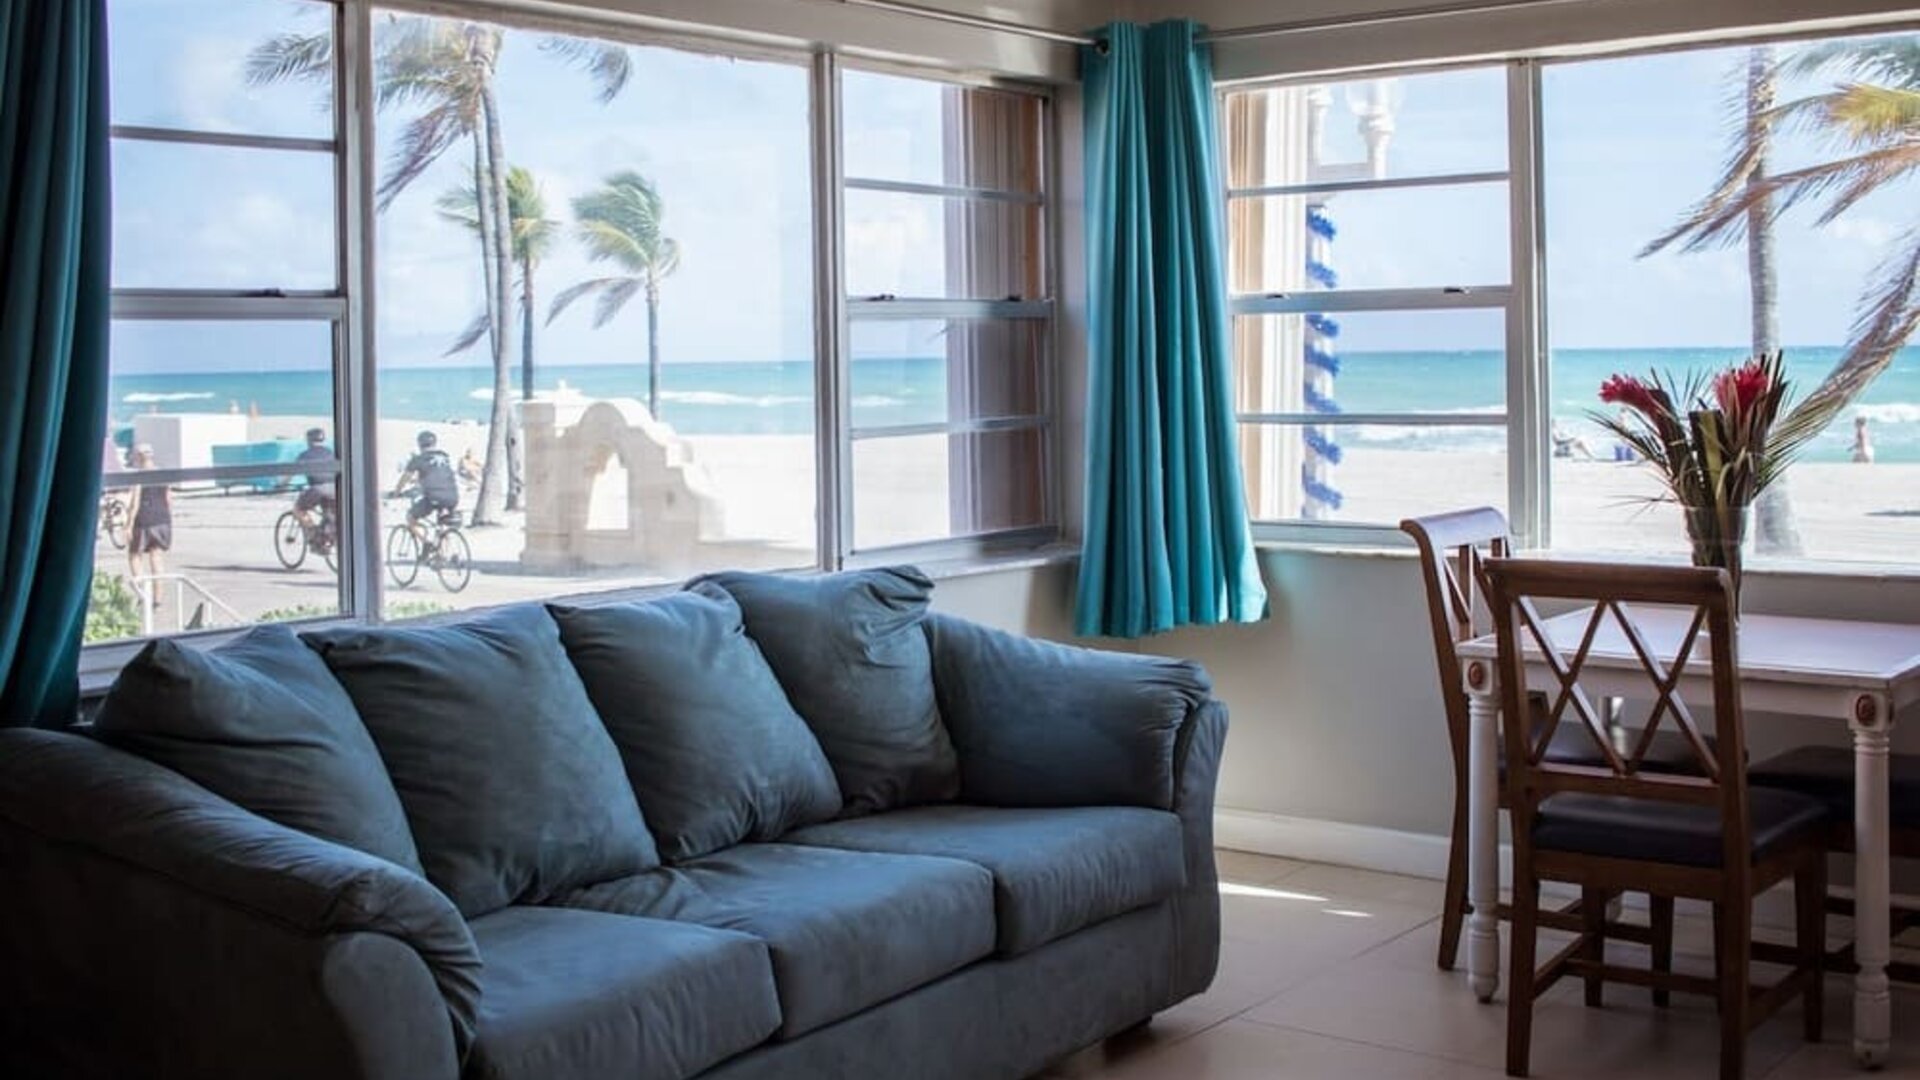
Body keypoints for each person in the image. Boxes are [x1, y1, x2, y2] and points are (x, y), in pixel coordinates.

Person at [395, 430, 460, 535]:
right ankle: (443, 548)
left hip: (434, 497)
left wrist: (396, 492)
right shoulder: (445, 456)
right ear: (435, 443)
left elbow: (405, 478)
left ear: (419, 444)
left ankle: (426, 543)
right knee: (442, 525)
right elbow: (438, 474)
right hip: (453, 497)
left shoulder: (418, 459)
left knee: (410, 517)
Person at [123, 444, 172, 583]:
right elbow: (168, 499)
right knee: (156, 556)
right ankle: (157, 601)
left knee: (134, 555)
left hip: (143, 520)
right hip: (162, 519)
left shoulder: (139, 476)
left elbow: (135, 503)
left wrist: (128, 525)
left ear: (138, 457)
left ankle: (144, 594)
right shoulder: (164, 475)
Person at [294, 428, 338, 526]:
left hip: (318, 489)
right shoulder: (330, 453)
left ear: (308, 440)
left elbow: (289, 472)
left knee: (298, 509)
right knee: (330, 513)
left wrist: (280, 484)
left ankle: (312, 530)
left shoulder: (304, 455)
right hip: (335, 488)